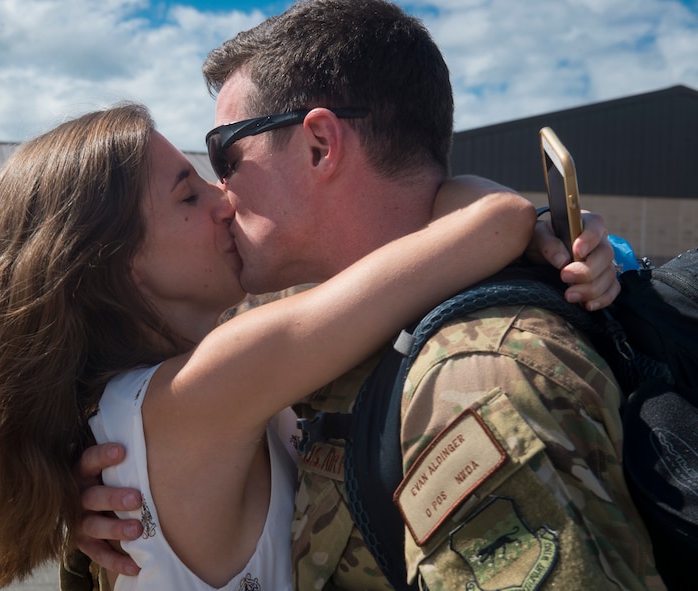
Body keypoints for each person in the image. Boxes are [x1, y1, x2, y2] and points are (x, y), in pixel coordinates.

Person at [70, 1, 662, 589]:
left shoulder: (474, 382)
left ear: (320, 146)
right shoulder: (323, 329)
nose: (221, 195)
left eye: (226, 156)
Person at [0, 103, 546, 589]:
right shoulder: (210, 385)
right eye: (188, 194)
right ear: (119, 264)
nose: (225, 199)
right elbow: (494, 222)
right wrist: (549, 222)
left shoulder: (143, 409)